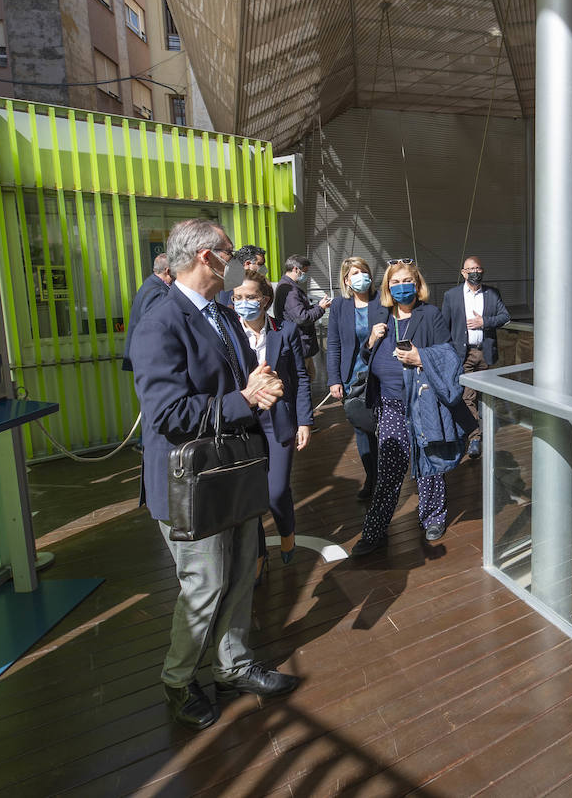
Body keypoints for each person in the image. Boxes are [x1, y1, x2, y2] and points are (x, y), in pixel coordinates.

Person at [131, 218, 300, 732]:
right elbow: (167, 415)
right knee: (204, 585)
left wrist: (257, 382)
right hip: (190, 484)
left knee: (242, 572)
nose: (240, 263)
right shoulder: (160, 322)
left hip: (232, 474)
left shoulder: (221, 316)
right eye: (230, 253)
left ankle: (233, 665)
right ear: (206, 257)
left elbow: (235, 379)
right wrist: (243, 399)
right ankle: (179, 681)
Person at [350, 259, 475, 554]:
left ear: (417, 285)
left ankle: (433, 516)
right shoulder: (380, 314)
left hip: (423, 401)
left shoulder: (429, 314)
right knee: (390, 468)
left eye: (407, 281)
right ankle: (375, 529)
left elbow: (449, 354)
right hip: (390, 404)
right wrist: (370, 342)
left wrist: (421, 358)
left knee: (430, 461)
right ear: (387, 287)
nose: (401, 286)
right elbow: (366, 357)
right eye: (395, 282)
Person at [232, 271, 312, 574]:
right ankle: (258, 554)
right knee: (251, 493)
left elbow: (301, 378)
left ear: (265, 300)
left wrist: (304, 420)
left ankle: (287, 533)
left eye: (250, 297)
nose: (243, 303)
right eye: (237, 298)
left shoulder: (285, 330)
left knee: (276, 490)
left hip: (278, 418)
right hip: (243, 421)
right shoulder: (231, 332)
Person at [325, 256, 385, 500]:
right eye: (354, 273)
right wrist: (334, 379)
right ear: (347, 280)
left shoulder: (382, 300)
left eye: (364, 271)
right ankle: (371, 477)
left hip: (380, 375)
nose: (360, 276)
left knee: (384, 428)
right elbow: (334, 344)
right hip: (353, 378)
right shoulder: (340, 306)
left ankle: (385, 478)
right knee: (362, 429)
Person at [440, 255, 510, 458]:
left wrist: (484, 322)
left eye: (478, 268)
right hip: (463, 354)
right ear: (463, 272)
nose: (475, 272)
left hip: (486, 352)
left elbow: (505, 316)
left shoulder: (492, 293)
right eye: (471, 269)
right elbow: (445, 327)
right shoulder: (451, 296)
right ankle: (475, 438)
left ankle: (474, 429)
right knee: (467, 396)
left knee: (484, 397)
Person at [273, 254, 331, 379]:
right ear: (295, 269)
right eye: (305, 271)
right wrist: (320, 308)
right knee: (304, 379)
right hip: (299, 344)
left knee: (308, 376)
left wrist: (318, 306)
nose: (306, 274)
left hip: (300, 344)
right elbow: (302, 317)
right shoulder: (290, 290)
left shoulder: (288, 286)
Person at [122, 253, 173, 372]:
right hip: (154, 362)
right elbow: (158, 330)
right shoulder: (158, 293)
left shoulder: (150, 285)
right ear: (168, 271)